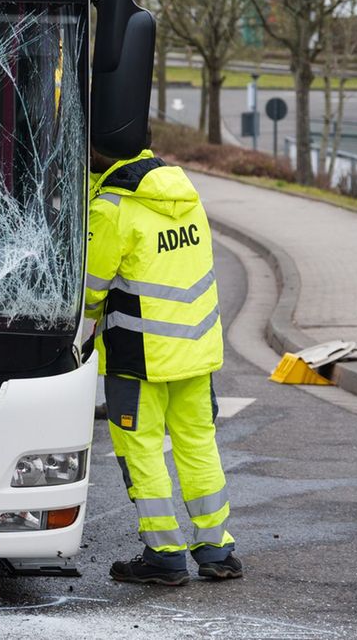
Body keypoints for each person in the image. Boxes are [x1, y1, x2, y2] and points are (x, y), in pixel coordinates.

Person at [85, 134, 242, 585]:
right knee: (198, 445)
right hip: (196, 350)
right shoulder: (184, 192)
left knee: (142, 451)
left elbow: (89, 292)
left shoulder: (112, 209)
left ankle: (164, 553)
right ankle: (216, 548)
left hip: (139, 358)